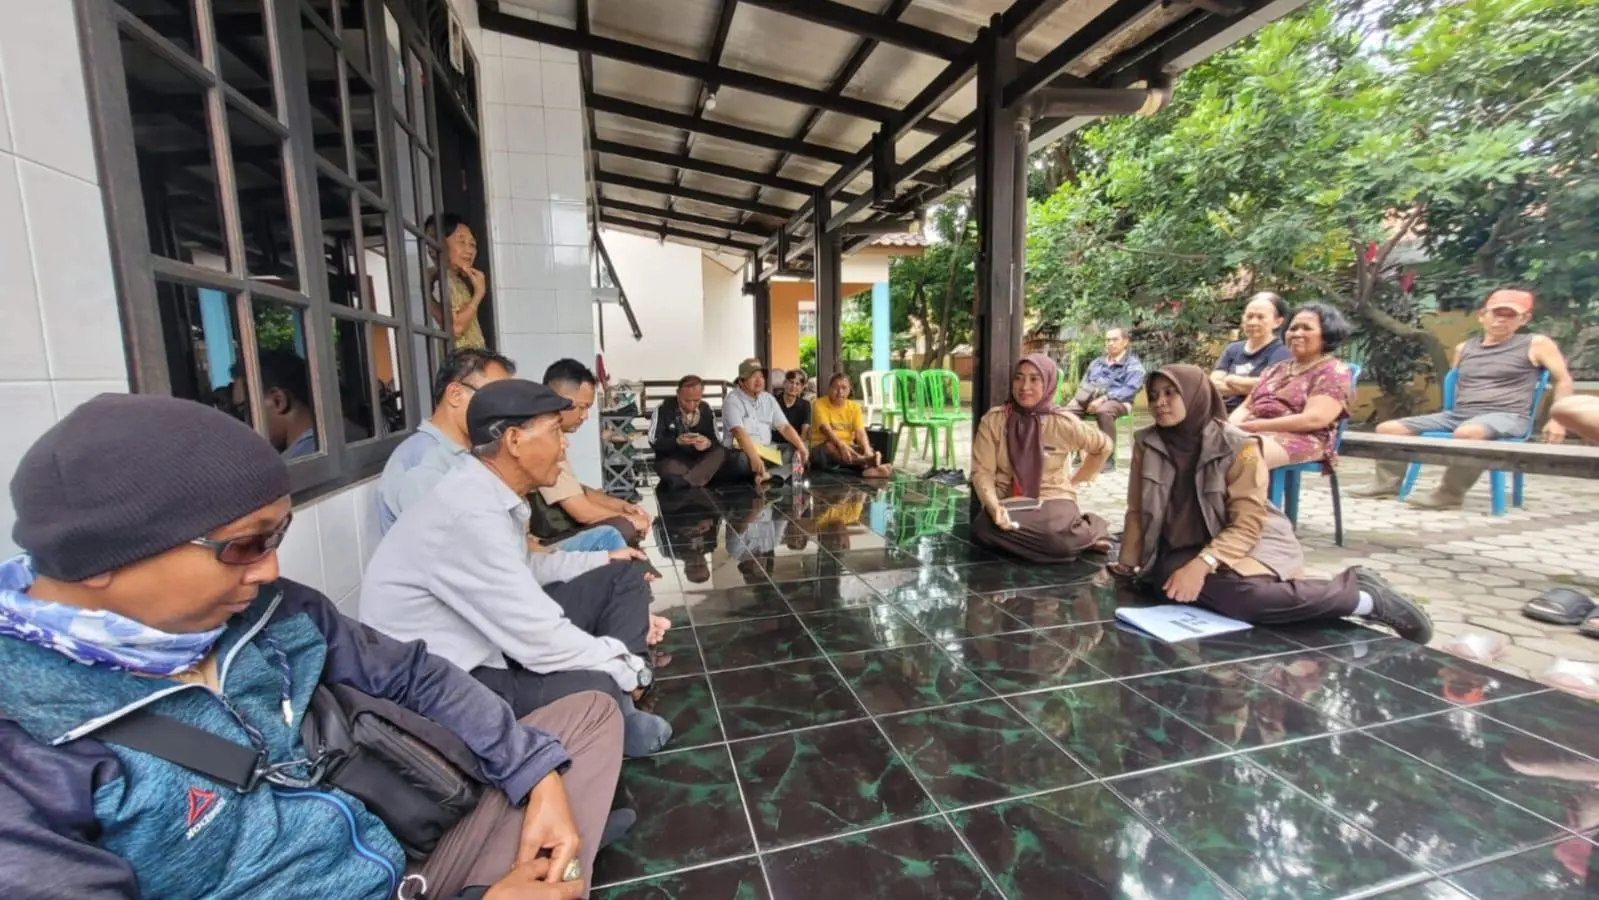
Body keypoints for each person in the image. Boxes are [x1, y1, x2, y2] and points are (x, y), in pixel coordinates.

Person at [0, 393, 619, 900]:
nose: (270, 570)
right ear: (102, 559)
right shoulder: (30, 752)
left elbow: (413, 675)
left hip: (403, 862)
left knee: (590, 716)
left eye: (279, 536)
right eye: (245, 545)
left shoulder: (272, 610)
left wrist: (535, 777)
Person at [361, 380, 674, 759]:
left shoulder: (489, 494)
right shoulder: (468, 513)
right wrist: (626, 668)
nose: (565, 444)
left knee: (623, 575)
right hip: (455, 683)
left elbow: (527, 567)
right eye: (556, 431)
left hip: (490, 643)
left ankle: (619, 706)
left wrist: (602, 560)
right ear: (513, 441)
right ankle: (614, 714)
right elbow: (537, 637)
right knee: (597, 683)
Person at [1113, 366, 1433, 643]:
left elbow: (1248, 524)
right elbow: (1137, 509)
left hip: (1254, 540)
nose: (1160, 403)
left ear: (1195, 395)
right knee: (1164, 583)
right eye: (1154, 395)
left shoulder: (1240, 446)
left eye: (1170, 393)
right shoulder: (1148, 442)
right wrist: (1128, 567)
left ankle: (1362, 598)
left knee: (1248, 599)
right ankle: (1284, 594)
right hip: (1189, 545)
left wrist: (1200, 566)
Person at [1349, 289, 1574, 508]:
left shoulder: (1536, 343)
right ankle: (1386, 486)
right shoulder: (1464, 348)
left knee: (1468, 433)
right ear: (1482, 316)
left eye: (1510, 315)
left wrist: (1559, 420)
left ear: (1524, 319)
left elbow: (1563, 380)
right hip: (1460, 414)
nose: (1501, 321)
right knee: (1388, 429)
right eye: (1497, 313)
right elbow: (1455, 382)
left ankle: (1449, 494)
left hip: (1509, 416)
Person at [970, 354, 1114, 563]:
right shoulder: (994, 420)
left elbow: (1103, 446)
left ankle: (1091, 528)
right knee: (982, 529)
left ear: (1048, 382)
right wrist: (993, 506)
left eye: (1034, 379)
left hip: (1052, 496)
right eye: (1018, 378)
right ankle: (1073, 539)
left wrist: (1077, 480)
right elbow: (982, 472)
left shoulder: (1063, 422)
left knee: (1057, 541)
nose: (1024, 386)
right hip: (1011, 498)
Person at [377, 347, 516, 533]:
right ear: (455, 395)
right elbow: (446, 551)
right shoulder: (424, 466)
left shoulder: (465, 451)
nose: (503, 412)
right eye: (495, 399)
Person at [537, 360, 652, 545]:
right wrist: (627, 518)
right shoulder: (539, 439)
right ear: (555, 398)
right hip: (544, 539)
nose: (584, 416)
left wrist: (622, 506)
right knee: (622, 528)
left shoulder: (552, 433)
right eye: (581, 407)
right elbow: (582, 512)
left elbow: (576, 489)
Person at [1230, 302, 1356, 470]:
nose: (1297, 333)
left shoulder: (1333, 371)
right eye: (1293, 328)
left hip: (1302, 437)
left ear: (1326, 335)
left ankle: (1247, 497)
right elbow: (1247, 407)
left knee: (1246, 454)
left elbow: (1314, 419)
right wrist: (1229, 427)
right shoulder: (1276, 369)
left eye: (1306, 328)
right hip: (1254, 432)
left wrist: (1256, 426)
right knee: (1202, 445)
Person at [1063, 325, 1145, 469]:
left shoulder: (1133, 365)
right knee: (1066, 413)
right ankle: (1076, 453)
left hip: (1118, 402)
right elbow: (1084, 383)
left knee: (1104, 411)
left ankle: (1107, 459)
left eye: (1115, 339)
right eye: (1108, 340)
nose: (1110, 343)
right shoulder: (1097, 363)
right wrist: (1078, 399)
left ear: (1125, 342)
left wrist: (1103, 399)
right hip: (1090, 400)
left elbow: (1130, 388)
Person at [723, 358, 810, 485]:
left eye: (761, 376)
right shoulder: (732, 400)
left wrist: (802, 447)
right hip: (742, 451)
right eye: (753, 376)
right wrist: (754, 458)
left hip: (767, 450)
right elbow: (739, 432)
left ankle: (769, 474)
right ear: (741, 381)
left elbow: (784, 427)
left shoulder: (768, 399)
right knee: (740, 461)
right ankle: (773, 470)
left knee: (796, 451)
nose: (759, 380)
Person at [1211, 292, 1293, 411]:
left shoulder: (1282, 350)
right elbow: (1214, 383)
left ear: (1277, 322)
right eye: (1249, 316)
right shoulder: (1233, 349)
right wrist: (1250, 386)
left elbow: (1271, 386)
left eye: (1260, 317)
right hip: (1221, 410)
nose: (1253, 322)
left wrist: (1231, 380)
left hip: (1255, 415)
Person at [648, 374, 726, 491]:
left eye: (696, 400)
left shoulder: (706, 409)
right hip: (675, 460)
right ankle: (699, 477)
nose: (691, 405)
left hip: (700, 459)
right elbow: (654, 441)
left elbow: (717, 441)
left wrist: (707, 443)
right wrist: (676, 442)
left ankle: (685, 481)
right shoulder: (663, 409)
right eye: (686, 400)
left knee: (721, 453)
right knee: (668, 467)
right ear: (678, 393)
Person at [809, 372, 893, 477]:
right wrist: (841, 445)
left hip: (847, 447)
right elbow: (826, 430)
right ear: (829, 388)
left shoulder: (854, 407)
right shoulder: (818, 404)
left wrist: (866, 449)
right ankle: (867, 463)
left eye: (844, 388)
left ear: (849, 390)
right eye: (836, 387)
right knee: (830, 446)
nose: (840, 392)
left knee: (866, 448)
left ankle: (867, 469)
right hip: (822, 449)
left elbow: (860, 432)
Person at [426, 212, 488, 350]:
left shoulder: (455, 279)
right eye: (461, 242)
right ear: (436, 246)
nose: (469, 250)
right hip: (461, 365)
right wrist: (478, 294)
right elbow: (455, 328)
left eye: (472, 244)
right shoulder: (440, 280)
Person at [778, 369, 811, 444]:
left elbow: (805, 429)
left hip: (794, 444)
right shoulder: (773, 401)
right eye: (791, 382)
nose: (793, 386)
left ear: (802, 388)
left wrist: (799, 448)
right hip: (773, 443)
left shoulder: (805, 405)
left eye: (797, 384)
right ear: (784, 383)